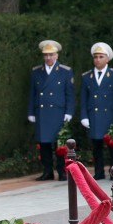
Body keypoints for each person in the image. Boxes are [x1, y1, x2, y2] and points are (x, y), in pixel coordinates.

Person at [27, 40, 74, 181]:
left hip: (58, 112)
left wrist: (69, 112)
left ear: (56, 56)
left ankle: (61, 171)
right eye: (46, 55)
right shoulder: (36, 72)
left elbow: (69, 94)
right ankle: (47, 171)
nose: (48, 58)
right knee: (44, 143)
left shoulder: (65, 71)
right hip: (42, 112)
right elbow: (32, 93)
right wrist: (31, 112)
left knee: (59, 143)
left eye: (51, 55)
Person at [80, 42, 113, 180]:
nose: (98, 59)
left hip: (110, 116)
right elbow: (83, 98)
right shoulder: (86, 76)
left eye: (101, 56)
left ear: (107, 59)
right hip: (94, 115)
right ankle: (99, 172)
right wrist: (84, 116)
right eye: (96, 57)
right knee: (96, 147)